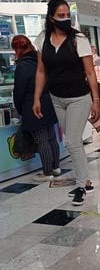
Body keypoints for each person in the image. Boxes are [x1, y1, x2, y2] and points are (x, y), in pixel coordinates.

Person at [33, 0, 100, 206]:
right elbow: (41, 71)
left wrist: (96, 100)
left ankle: (81, 185)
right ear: (51, 17)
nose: (65, 19)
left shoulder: (77, 38)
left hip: (79, 97)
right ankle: (86, 179)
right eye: (60, 15)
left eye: (67, 15)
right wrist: (36, 97)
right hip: (56, 97)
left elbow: (90, 72)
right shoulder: (43, 39)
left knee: (71, 141)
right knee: (73, 142)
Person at [11, 35, 60, 182]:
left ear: (17, 49)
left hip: (32, 105)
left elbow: (19, 90)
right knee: (51, 136)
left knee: (41, 139)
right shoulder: (39, 59)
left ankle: (47, 172)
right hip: (48, 102)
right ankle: (56, 167)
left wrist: (19, 109)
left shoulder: (22, 65)